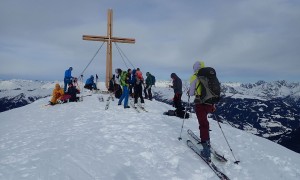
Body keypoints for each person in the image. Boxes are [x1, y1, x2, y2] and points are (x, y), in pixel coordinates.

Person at [189, 61, 216, 162]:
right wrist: (213, 104)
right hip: (210, 103)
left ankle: (206, 150)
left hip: (200, 104)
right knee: (205, 122)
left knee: (203, 124)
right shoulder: (210, 75)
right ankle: (207, 140)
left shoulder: (195, 77)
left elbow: (191, 93)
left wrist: (191, 91)